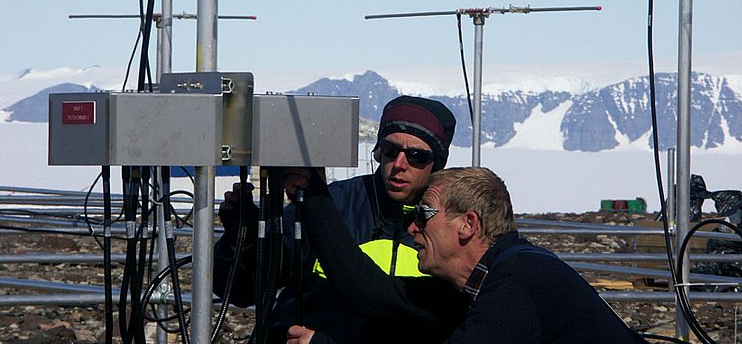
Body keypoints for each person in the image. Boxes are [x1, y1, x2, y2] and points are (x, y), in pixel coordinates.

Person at [286, 167, 647, 344]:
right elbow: (370, 291)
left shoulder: (519, 282)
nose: (412, 228)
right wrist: (314, 191)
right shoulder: (482, 285)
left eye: (423, 214)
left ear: (467, 225)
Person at [213, 95, 467, 343]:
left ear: (438, 163)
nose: (399, 164)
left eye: (417, 156)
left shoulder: (447, 230)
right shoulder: (329, 204)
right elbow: (243, 291)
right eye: (389, 150)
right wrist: (242, 240)